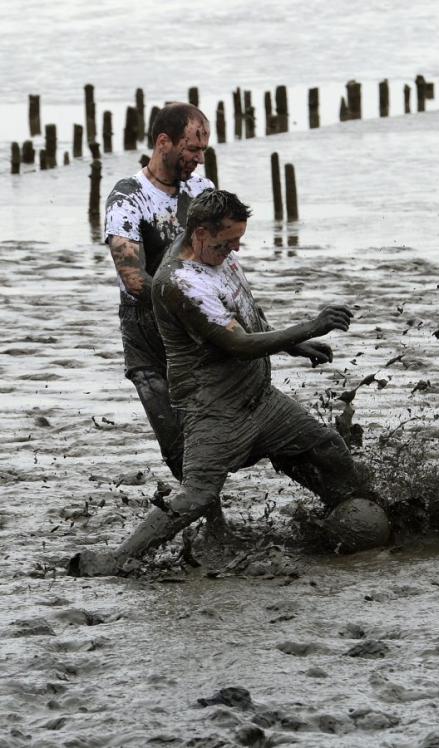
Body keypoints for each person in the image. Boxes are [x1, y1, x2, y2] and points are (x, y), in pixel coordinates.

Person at [69, 189, 374, 576]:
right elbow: (236, 343)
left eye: (238, 240)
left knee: (327, 447)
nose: (235, 250)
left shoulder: (218, 257)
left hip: (260, 399)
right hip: (213, 408)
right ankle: (117, 559)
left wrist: (296, 344)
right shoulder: (178, 282)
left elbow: (244, 311)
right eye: (226, 242)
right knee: (197, 494)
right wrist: (312, 324)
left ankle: (355, 512)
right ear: (199, 233)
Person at [104, 102, 214, 482]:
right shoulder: (127, 198)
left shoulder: (202, 190)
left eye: (203, 151)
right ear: (163, 142)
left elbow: (223, 260)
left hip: (194, 330)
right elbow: (133, 278)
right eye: (192, 149)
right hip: (146, 333)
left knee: (212, 431)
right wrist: (189, 309)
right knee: (176, 444)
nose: (199, 159)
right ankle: (207, 515)